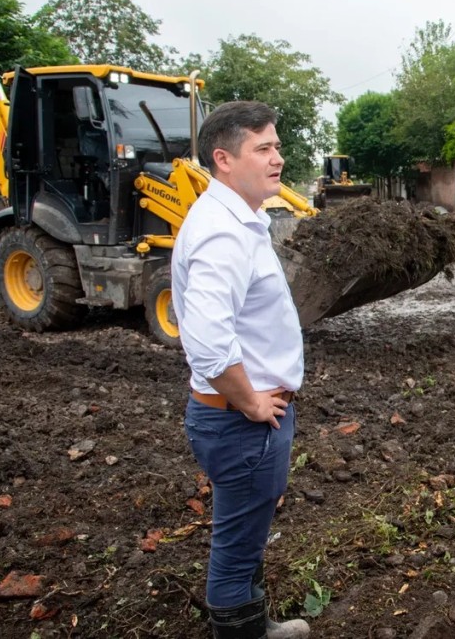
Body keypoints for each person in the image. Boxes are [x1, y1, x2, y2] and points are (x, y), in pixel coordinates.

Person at [172, 101, 310, 639]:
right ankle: (242, 632)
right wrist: (252, 401)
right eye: (264, 148)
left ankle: (255, 623)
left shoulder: (240, 219)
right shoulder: (222, 233)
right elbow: (207, 343)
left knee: (246, 532)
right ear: (223, 159)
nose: (278, 157)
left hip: (243, 418)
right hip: (242, 421)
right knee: (234, 552)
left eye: (276, 145)